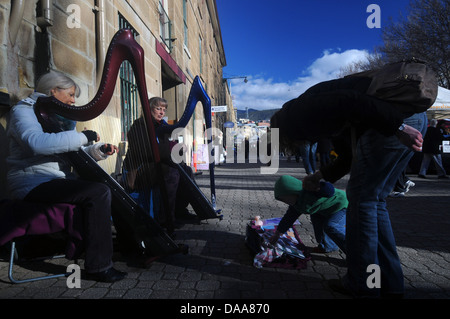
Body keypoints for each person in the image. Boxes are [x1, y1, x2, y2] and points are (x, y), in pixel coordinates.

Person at [270, 74, 428, 298]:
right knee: (374, 203)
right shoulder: (320, 117)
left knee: (363, 203)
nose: (302, 144)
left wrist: (398, 127)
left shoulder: (299, 111)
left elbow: (349, 99)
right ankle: (390, 285)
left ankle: (363, 283)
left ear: (284, 130)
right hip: (409, 120)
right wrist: (319, 175)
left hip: (395, 125)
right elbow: (346, 157)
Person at [6, 71, 126, 283]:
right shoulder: (23, 111)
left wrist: (97, 150)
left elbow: (70, 152)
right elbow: (36, 143)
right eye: (70, 95)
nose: (73, 101)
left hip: (54, 179)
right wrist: (82, 136)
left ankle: (122, 245)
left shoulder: (56, 117)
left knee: (107, 186)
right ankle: (98, 266)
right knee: (98, 192)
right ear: (53, 91)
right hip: (31, 182)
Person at [122, 97, 195, 230]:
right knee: (171, 173)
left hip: (155, 166)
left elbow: (165, 149)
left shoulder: (162, 127)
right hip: (139, 170)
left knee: (186, 171)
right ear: (148, 109)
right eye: (158, 108)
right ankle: (165, 219)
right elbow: (147, 150)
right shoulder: (139, 126)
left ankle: (179, 211)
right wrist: (172, 148)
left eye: (164, 109)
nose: (162, 112)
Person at [270, 175, 347, 254]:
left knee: (331, 226)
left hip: (340, 206)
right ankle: (328, 246)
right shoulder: (296, 205)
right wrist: (277, 234)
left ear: (292, 192)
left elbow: (329, 191)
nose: (285, 202)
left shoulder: (310, 191)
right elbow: (288, 219)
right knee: (318, 225)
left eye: (285, 199)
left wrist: (318, 185)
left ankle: (355, 251)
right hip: (322, 210)